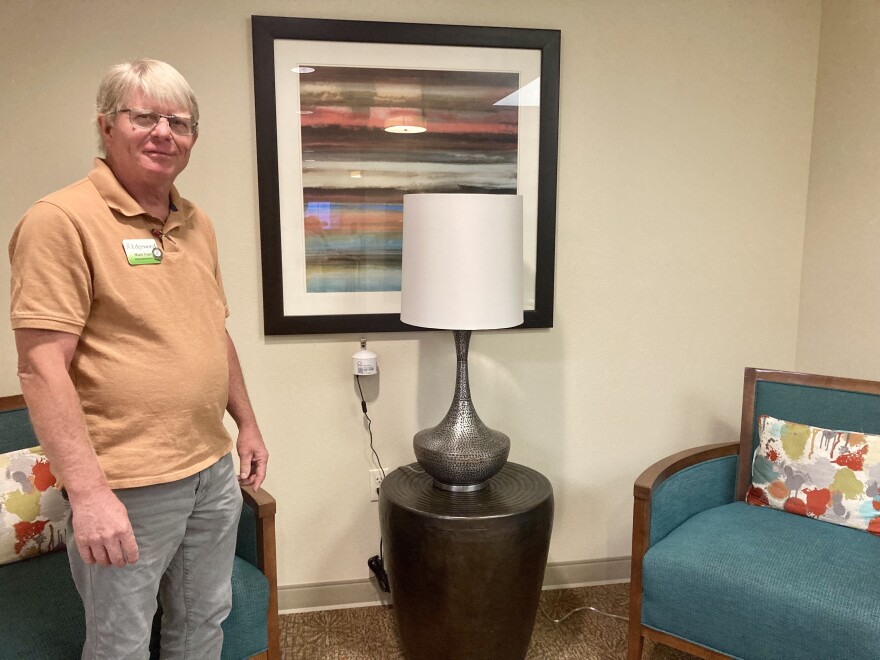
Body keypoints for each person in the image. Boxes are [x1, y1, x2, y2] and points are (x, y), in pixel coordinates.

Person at [8, 59, 268, 659]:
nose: (163, 132)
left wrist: (246, 423)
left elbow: (212, 332)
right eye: (144, 116)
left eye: (179, 121)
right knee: (120, 641)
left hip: (209, 468)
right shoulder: (59, 221)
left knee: (204, 621)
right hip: (127, 484)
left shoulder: (195, 221)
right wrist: (90, 494)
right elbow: (40, 367)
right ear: (106, 126)